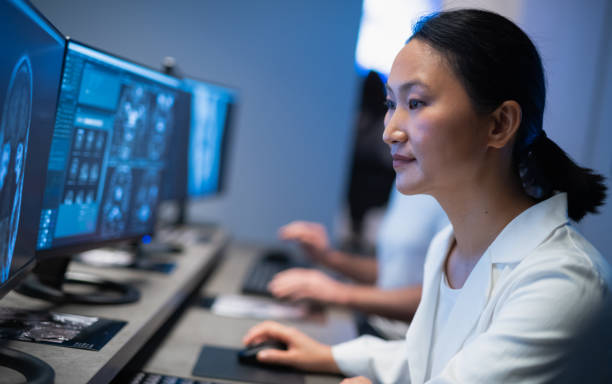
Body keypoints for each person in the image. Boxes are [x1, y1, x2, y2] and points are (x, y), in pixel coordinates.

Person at [243, 9, 611, 383]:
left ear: (499, 125)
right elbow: (429, 361)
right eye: (391, 104)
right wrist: (330, 355)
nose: (390, 131)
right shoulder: (447, 246)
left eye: (415, 103)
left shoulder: (562, 281)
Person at [269, 188, 448, 339]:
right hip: (376, 328)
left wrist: (337, 293)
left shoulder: (455, 199)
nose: (391, 143)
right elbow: (394, 273)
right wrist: (330, 258)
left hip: (405, 346)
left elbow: (443, 297)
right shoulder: (409, 181)